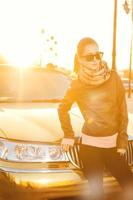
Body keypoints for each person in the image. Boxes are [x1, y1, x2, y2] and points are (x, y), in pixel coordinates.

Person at [58, 37, 133, 200]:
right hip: (89, 148)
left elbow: (122, 110)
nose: (95, 60)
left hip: (113, 146)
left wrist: (122, 140)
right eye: (89, 56)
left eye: (97, 55)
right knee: (97, 194)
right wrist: (68, 134)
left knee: (129, 185)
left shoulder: (113, 77)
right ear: (80, 59)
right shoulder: (77, 84)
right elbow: (62, 108)